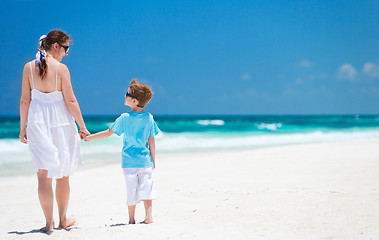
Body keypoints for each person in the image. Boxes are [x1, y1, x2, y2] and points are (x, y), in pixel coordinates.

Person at [19, 30, 90, 233]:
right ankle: (63, 219)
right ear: (56, 46)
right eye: (66, 48)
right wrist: (82, 126)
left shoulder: (28, 68)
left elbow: (25, 100)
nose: (67, 53)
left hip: (37, 123)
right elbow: (70, 101)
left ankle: (48, 224)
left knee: (43, 175)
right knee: (63, 175)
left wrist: (23, 127)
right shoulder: (61, 69)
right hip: (61, 123)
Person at [84, 79, 160, 224]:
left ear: (134, 101)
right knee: (147, 188)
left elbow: (108, 133)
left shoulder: (125, 118)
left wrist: (89, 138)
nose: (124, 95)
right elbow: (151, 140)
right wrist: (153, 160)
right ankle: (148, 217)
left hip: (129, 162)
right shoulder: (149, 118)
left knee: (131, 190)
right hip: (145, 161)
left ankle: (131, 220)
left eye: (127, 94)